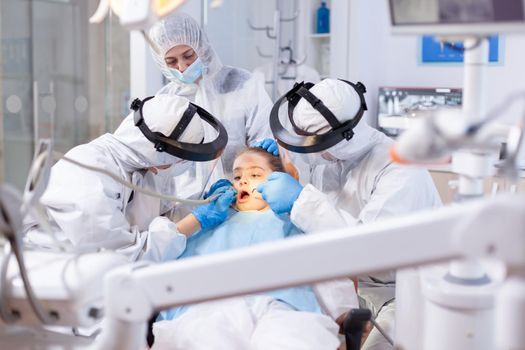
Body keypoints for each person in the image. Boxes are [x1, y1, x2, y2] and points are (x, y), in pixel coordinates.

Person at [256, 78, 443, 350]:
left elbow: (369, 249)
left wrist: (301, 201)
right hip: (349, 284)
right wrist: (289, 173)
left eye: (310, 144)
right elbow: (319, 227)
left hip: (403, 292)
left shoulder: (400, 169)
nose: (306, 151)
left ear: (342, 138)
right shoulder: (330, 161)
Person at [147, 147, 344, 350]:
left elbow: (336, 254)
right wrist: (196, 220)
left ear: (280, 181)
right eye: (237, 175)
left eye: (255, 174)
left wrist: (342, 311)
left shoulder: (299, 218)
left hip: (282, 305)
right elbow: (159, 263)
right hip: (208, 308)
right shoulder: (208, 221)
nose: (242, 181)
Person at [24, 94, 226, 262]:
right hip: (52, 277)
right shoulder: (87, 176)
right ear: (160, 151)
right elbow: (123, 258)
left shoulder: (150, 167)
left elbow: (164, 217)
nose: (181, 165)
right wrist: (197, 220)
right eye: (181, 158)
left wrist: (200, 207)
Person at [148, 12, 273, 174]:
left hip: (239, 192)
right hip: (183, 198)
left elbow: (263, 139)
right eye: (171, 61)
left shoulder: (243, 84)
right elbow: (159, 165)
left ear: (201, 47)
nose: (182, 67)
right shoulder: (164, 102)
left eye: (188, 56)